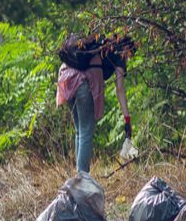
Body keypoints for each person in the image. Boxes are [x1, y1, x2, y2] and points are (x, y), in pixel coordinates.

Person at [56, 33, 135, 174]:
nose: (128, 58)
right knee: (86, 131)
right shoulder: (119, 55)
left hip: (66, 78)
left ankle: (80, 175)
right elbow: (120, 89)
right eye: (130, 55)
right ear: (127, 49)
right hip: (82, 83)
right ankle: (82, 178)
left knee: (80, 131)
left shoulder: (101, 43)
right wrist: (127, 118)